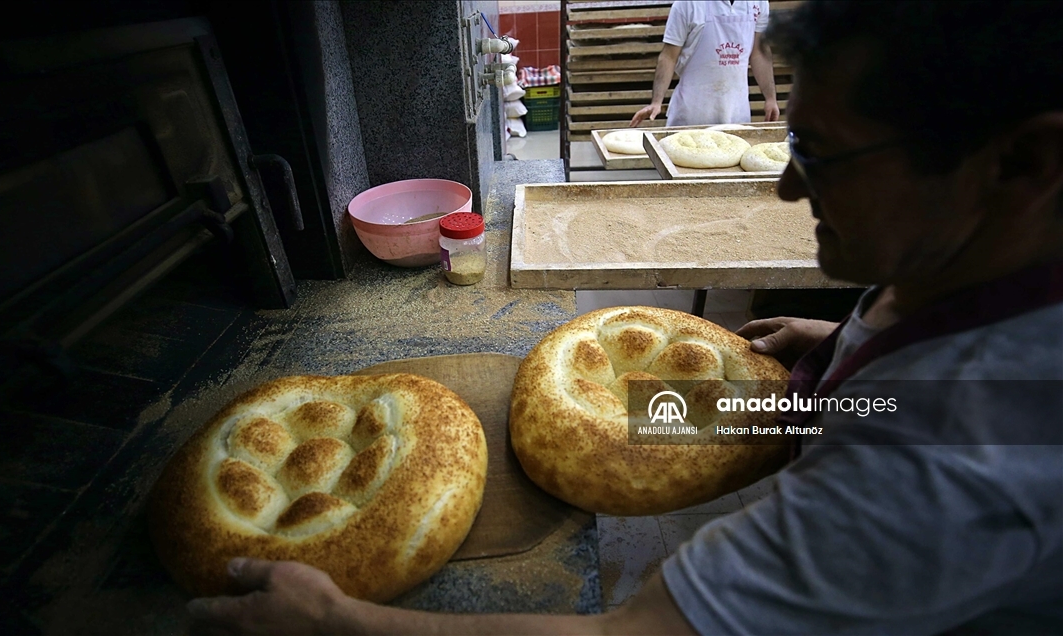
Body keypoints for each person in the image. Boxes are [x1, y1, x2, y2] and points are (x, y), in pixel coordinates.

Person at [186, 2, 1063, 633]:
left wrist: (342, 622)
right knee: (623, 415)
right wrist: (838, 353)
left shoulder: (948, 458)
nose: (790, 187)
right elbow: (896, 384)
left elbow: (636, 633)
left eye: (824, 154)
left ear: (1025, 161)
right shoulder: (973, 273)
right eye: (795, 142)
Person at [630, 1, 779, 128]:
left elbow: (759, 53)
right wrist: (656, 102)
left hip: (736, 114)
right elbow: (669, 57)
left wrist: (771, 98)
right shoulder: (688, 4)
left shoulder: (758, 2)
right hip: (692, 116)